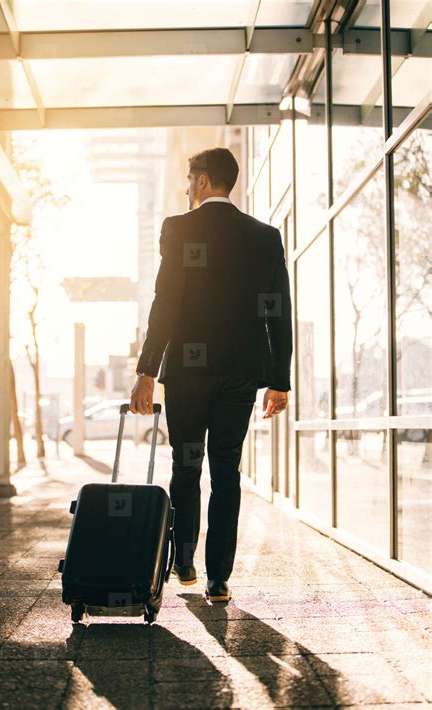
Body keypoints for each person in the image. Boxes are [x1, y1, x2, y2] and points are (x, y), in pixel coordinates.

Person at [130, 147, 292, 602]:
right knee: (226, 472)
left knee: (186, 464)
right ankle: (219, 578)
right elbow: (278, 310)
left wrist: (147, 369)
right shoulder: (264, 235)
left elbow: (166, 302)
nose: (186, 187)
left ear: (202, 181)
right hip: (241, 372)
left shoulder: (179, 229)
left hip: (187, 371)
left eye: (188, 178)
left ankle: (183, 562)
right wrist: (279, 378)